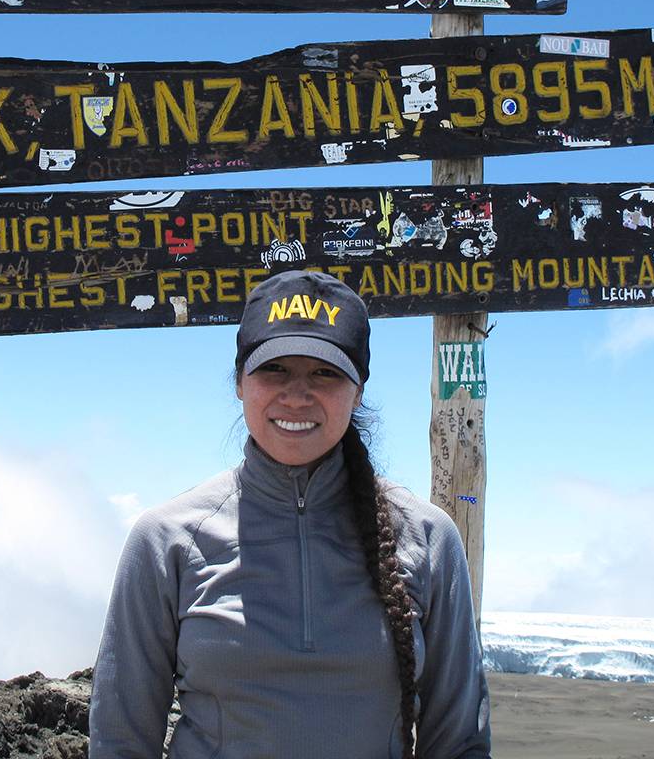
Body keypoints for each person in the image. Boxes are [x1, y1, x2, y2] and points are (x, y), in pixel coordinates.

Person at [89, 269, 491, 758]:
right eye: (275, 369)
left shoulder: (427, 537)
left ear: (358, 390)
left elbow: (460, 743)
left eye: (325, 372)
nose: (297, 395)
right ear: (240, 382)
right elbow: (120, 741)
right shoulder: (167, 540)